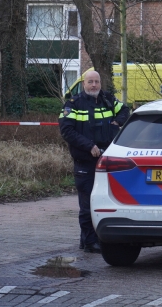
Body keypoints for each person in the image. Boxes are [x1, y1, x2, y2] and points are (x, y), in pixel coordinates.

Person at [59, 70, 130, 253]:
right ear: (83, 84)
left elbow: (125, 110)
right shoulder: (74, 104)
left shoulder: (107, 100)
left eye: (96, 82)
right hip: (85, 160)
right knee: (87, 203)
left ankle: (93, 239)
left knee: (103, 200)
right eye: (90, 82)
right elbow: (67, 131)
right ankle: (89, 241)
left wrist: (116, 123)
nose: (94, 85)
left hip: (106, 160)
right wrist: (89, 146)